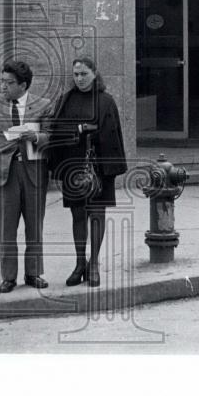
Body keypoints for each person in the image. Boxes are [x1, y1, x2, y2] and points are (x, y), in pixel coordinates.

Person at [0, 60, 53, 293]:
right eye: (1, 81)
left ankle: (34, 273)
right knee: (7, 227)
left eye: (9, 83)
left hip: (33, 171)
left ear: (23, 85)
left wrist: (35, 138)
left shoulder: (43, 105)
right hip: (4, 171)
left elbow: (50, 134)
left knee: (35, 225)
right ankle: (8, 277)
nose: (3, 86)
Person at [46, 57, 127, 288]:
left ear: (94, 74)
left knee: (97, 215)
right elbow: (56, 133)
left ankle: (94, 264)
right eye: (76, 74)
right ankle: (79, 263)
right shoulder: (65, 100)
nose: (79, 79)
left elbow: (112, 135)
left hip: (98, 167)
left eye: (84, 74)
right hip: (72, 167)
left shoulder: (105, 101)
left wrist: (88, 131)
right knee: (78, 215)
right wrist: (59, 171)